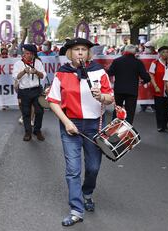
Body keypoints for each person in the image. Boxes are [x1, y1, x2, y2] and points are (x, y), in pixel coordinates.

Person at [46, 38, 114, 226]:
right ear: (70, 53)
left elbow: (110, 98)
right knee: (73, 170)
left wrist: (102, 96)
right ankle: (76, 209)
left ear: (88, 53)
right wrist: (66, 122)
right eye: (76, 49)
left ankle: (87, 192)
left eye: (84, 49)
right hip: (71, 124)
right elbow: (53, 101)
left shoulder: (99, 71)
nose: (80, 53)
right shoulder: (62, 73)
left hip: (95, 125)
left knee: (93, 167)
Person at [107, 44, 151, 124]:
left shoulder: (117, 61)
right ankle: (126, 130)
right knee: (130, 111)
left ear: (125, 51)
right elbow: (146, 77)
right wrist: (144, 81)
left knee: (117, 108)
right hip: (132, 90)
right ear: (135, 52)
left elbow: (109, 73)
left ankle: (113, 127)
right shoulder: (138, 62)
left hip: (119, 89)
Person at [12, 44, 46, 141]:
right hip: (24, 91)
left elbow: (43, 75)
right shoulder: (18, 64)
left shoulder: (38, 63)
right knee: (26, 113)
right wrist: (23, 72)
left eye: (30, 53)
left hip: (36, 90)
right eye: (26, 53)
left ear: (33, 54)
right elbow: (15, 77)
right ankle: (28, 132)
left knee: (40, 111)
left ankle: (37, 130)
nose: (28, 55)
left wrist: (36, 72)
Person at [149, 46, 168, 132]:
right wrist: (155, 86)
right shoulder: (155, 63)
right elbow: (151, 75)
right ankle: (160, 125)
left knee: (167, 109)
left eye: (167, 52)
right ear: (160, 53)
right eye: (163, 52)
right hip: (159, 89)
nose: (165, 54)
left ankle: (165, 124)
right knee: (159, 109)